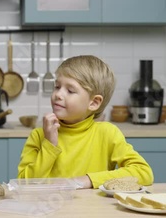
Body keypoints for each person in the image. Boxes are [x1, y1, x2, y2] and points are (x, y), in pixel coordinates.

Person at [17, 55, 153, 189]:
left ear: (93, 103)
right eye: (57, 87)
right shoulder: (39, 136)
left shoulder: (107, 133)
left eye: (70, 90)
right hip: (49, 210)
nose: (58, 94)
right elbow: (24, 184)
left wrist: (88, 180)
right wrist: (49, 146)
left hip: (93, 210)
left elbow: (143, 173)